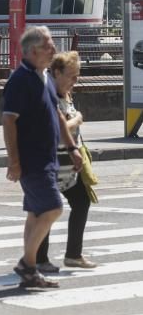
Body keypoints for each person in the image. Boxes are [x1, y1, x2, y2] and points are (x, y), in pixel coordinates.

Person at [2, 26, 83, 289]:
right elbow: (8, 121)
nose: (54, 49)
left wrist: (72, 148)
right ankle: (27, 264)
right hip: (32, 160)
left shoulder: (44, 77)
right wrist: (14, 161)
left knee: (36, 213)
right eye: (49, 45)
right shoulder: (19, 80)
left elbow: (58, 116)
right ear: (34, 50)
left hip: (48, 158)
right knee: (53, 208)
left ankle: (30, 269)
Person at [36, 51, 97, 272]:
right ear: (57, 72)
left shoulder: (64, 93)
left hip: (68, 167)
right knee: (47, 209)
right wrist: (78, 119)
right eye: (71, 75)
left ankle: (73, 254)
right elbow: (53, 130)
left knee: (81, 202)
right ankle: (40, 259)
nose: (75, 80)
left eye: (77, 75)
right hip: (49, 164)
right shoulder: (47, 93)